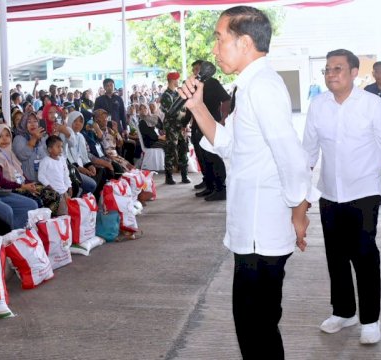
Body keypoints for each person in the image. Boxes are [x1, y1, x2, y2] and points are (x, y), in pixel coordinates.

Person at [178, 6, 316, 359]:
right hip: (252, 229)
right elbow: (229, 144)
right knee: (255, 325)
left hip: (263, 230)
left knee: (257, 327)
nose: (214, 48)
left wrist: (299, 212)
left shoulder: (263, 87)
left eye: (220, 38)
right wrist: (197, 107)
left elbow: (292, 157)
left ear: (244, 41)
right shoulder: (251, 85)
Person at [303, 49, 381, 345]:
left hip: (364, 193)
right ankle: (344, 311)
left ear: (353, 73)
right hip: (330, 194)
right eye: (327, 69)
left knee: (364, 255)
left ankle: (370, 319)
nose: (330, 74)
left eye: (337, 68)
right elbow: (309, 153)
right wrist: (303, 194)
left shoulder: (372, 106)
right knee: (335, 256)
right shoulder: (318, 106)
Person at [0, 123, 61, 214]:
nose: (4, 139)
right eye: (0, 136)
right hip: (10, 189)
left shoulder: (9, 152)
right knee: (39, 201)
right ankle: (38, 223)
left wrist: (30, 184)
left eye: (7, 135)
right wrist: (23, 186)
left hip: (22, 185)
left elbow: (20, 173)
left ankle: (47, 222)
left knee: (54, 195)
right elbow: (0, 182)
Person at [190, 59, 232, 201]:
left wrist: (224, 118)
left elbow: (226, 100)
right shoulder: (197, 85)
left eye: (196, 69)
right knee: (202, 158)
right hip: (198, 125)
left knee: (212, 157)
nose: (195, 72)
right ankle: (209, 185)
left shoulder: (213, 83)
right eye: (193, 70)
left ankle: (220, 188)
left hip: (212, 124)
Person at [160, 72, 190, 185]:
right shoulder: (166, 96)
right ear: (172, 80)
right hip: (172, 127)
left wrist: (185, 123)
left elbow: (184, 109)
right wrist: (183, 118)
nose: (178, 81)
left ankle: (184, 175)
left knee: (183, 149)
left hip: (180, 127)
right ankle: (169, 176)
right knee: (171, 151)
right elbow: (171, 112)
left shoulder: (177, 94)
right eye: (177, 79)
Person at [38, 135, 72, 215]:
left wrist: (69, 186)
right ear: (49, 149)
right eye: (58, 147)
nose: (61, 149)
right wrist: (48, 185)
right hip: (54, 193)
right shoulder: (45, 161)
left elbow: (66, 174)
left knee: (68, 212)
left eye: (61, 146)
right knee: (61, 213)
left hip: (64, 191)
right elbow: (41, 176)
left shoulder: (62, 160)